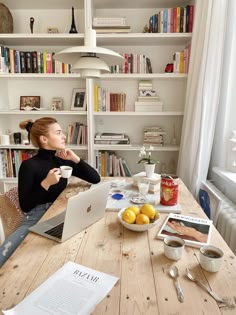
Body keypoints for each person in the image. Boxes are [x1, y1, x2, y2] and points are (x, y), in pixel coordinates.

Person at [0, 117, 100, 267]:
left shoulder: (62, 160)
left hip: (61, 212)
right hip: (36, 217)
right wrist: (46, 183)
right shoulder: (29, 166)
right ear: (44, 139)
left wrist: (75, 158)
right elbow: (26, 206)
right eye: (59, 133)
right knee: (4, 255)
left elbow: (95, 178)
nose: (64, 136)